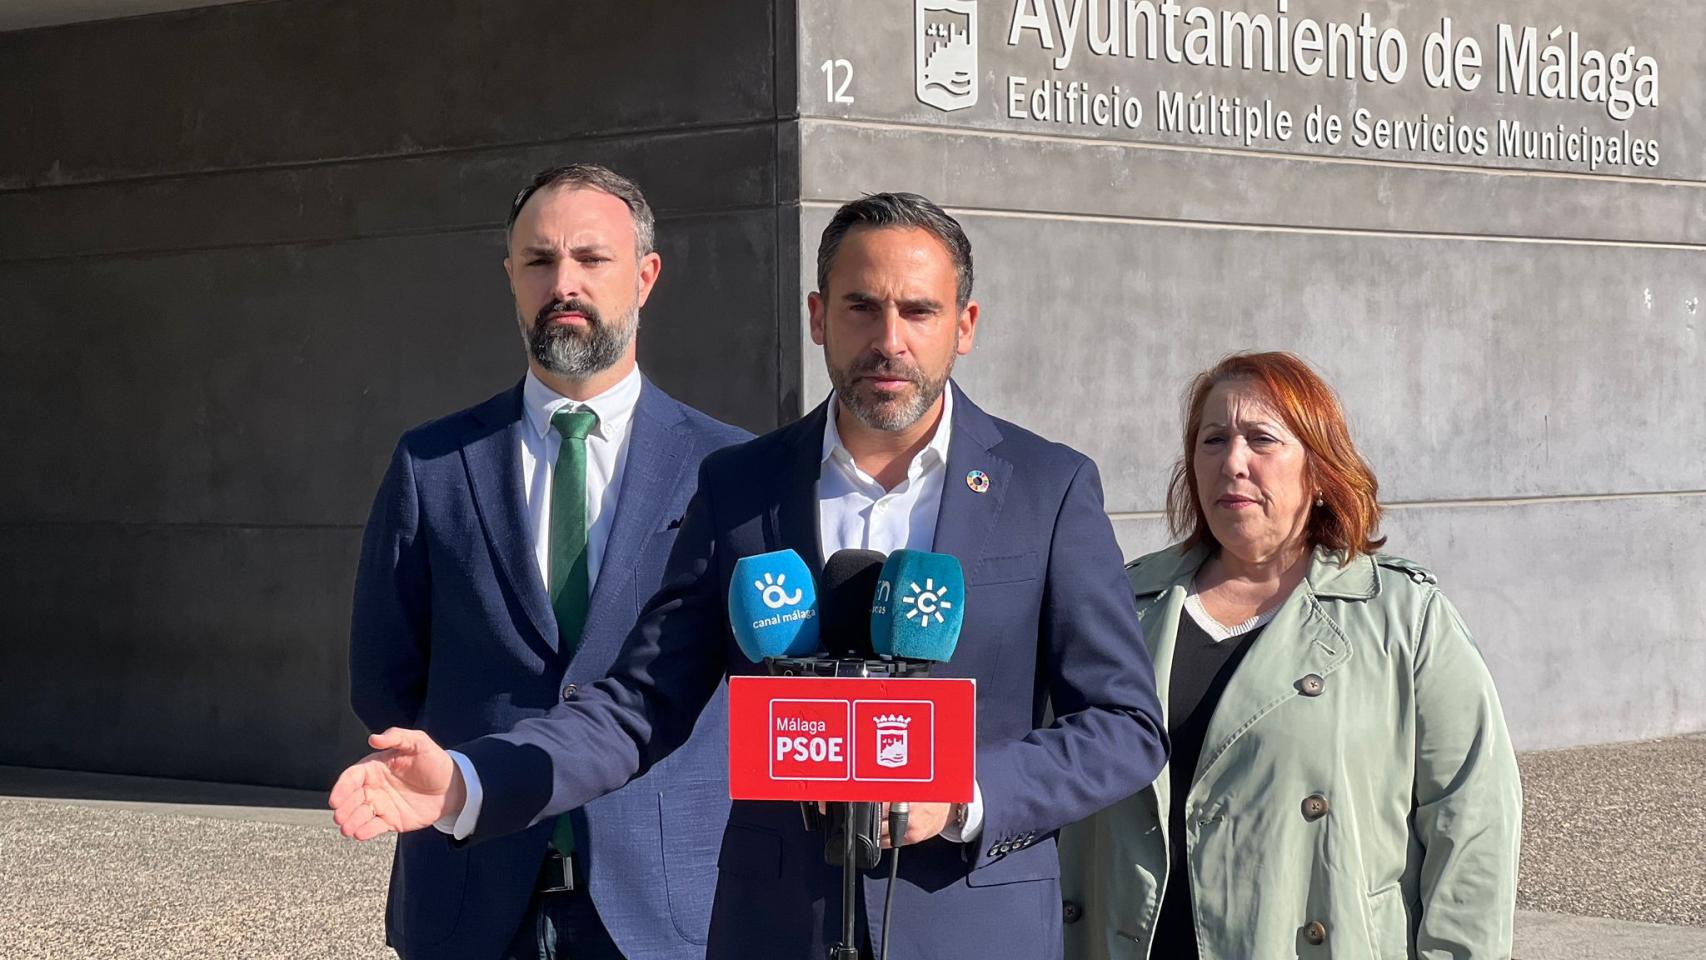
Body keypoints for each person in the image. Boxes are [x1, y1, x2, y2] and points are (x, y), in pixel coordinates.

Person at [332, 192, 1168, 960]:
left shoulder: (1047, 487)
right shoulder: (742, 488)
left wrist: (966, 798)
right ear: (816, 317)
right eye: (860, 307)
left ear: (966, 323)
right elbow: (640, 702)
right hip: (772, 930)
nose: (890, 339)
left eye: (919, 310)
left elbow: (1126, 723)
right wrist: (470, 780)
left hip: (969, 926)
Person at [348, 163, 749, 960]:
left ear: (645, 275)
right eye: (538, 261)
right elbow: (384, 679)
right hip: (471, 896)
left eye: (591, 259)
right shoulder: (434, 464)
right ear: (510, 278)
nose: (563, 283)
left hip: (664, 910)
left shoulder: (731, 470)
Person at [1059, 351, 1522, 959]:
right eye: (1213, 439)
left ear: (1319, 466)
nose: (1233, 462)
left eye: (1262, 439)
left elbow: (1472, 819)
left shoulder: (1402, 615)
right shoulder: (1126, 604)